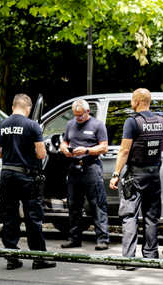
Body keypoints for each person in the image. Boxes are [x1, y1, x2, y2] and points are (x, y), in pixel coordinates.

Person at [0, 94, 56, 270]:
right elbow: (42, 154)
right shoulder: (32, 125)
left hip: (7, 175)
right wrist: (27, 152)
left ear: (13, 107)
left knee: (10, 217)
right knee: (32, 217)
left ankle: (11, 258)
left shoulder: (2, 125)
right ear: (28, 109)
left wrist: (10, 152)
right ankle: (39, 258)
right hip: (26, 176)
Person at [108, 88, 163, 270]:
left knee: (129, 216)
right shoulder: (161, 120)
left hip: (135, 175)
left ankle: (128, 260)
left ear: (136, 101)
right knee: (151, 217)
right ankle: (151, 257)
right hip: (153, 175)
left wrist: (116, 174)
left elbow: (124, 150)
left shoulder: (132, 122)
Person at [59, 99, 110, 250]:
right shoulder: (70, 124)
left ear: (88, 112)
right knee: (74, 205)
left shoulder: (97, 125)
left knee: (97, 204)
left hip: (91, 166)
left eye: (80, 116)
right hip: (74, 168)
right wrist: (64, 149)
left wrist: (86, 150)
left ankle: (102, 239)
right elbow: (64, 142)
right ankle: (74, 238)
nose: (78, 118)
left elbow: (104, 147)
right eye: (75, 115)